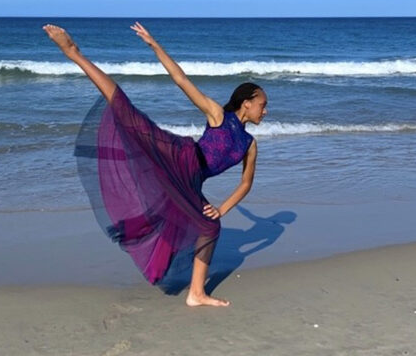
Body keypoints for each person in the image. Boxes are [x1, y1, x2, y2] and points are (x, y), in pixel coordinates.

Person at [43, 22, 267, 307]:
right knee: (129, 116)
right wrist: (154, 44)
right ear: (247, 103)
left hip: (192, 181)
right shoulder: (217, 115)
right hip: (182, 158)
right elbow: (181, 80)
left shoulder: (250, 145)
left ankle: (196, 294)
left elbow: (246, 184)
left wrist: (222, 208)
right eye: (263, 103)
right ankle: (74, 52)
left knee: (211, 227)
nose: (266, 110)